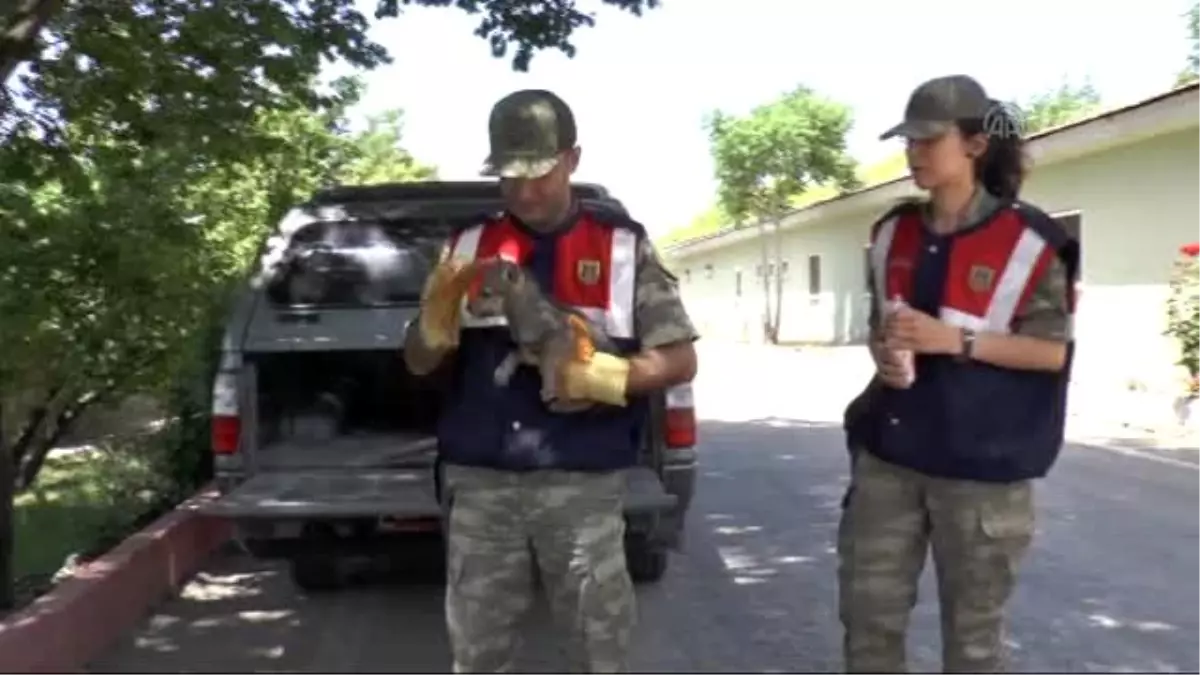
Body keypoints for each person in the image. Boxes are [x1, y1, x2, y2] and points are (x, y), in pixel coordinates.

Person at [403, 88, 700, 673]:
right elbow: (417, 362)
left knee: (597, 654)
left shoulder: (621, 247)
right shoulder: (466, 247)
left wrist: (603, 376)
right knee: (478, 658)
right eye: (510, 176)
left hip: (582, 487)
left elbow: (680, 360)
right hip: (481, 486)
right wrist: (432, 327)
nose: (525, 191)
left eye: (540, 173)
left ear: (573, 159)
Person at [837, 74, 1079, 673]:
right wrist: (885, 354)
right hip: (889, 462)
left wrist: (957, 340)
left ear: (974, 144)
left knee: (973, 645)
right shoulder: (891, 231)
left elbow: (1053, 352)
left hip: (982, 475)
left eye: (927, 139)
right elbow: (879, 325)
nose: (912, 152)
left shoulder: (1035, 240)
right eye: (908, 141)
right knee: (868, 625)